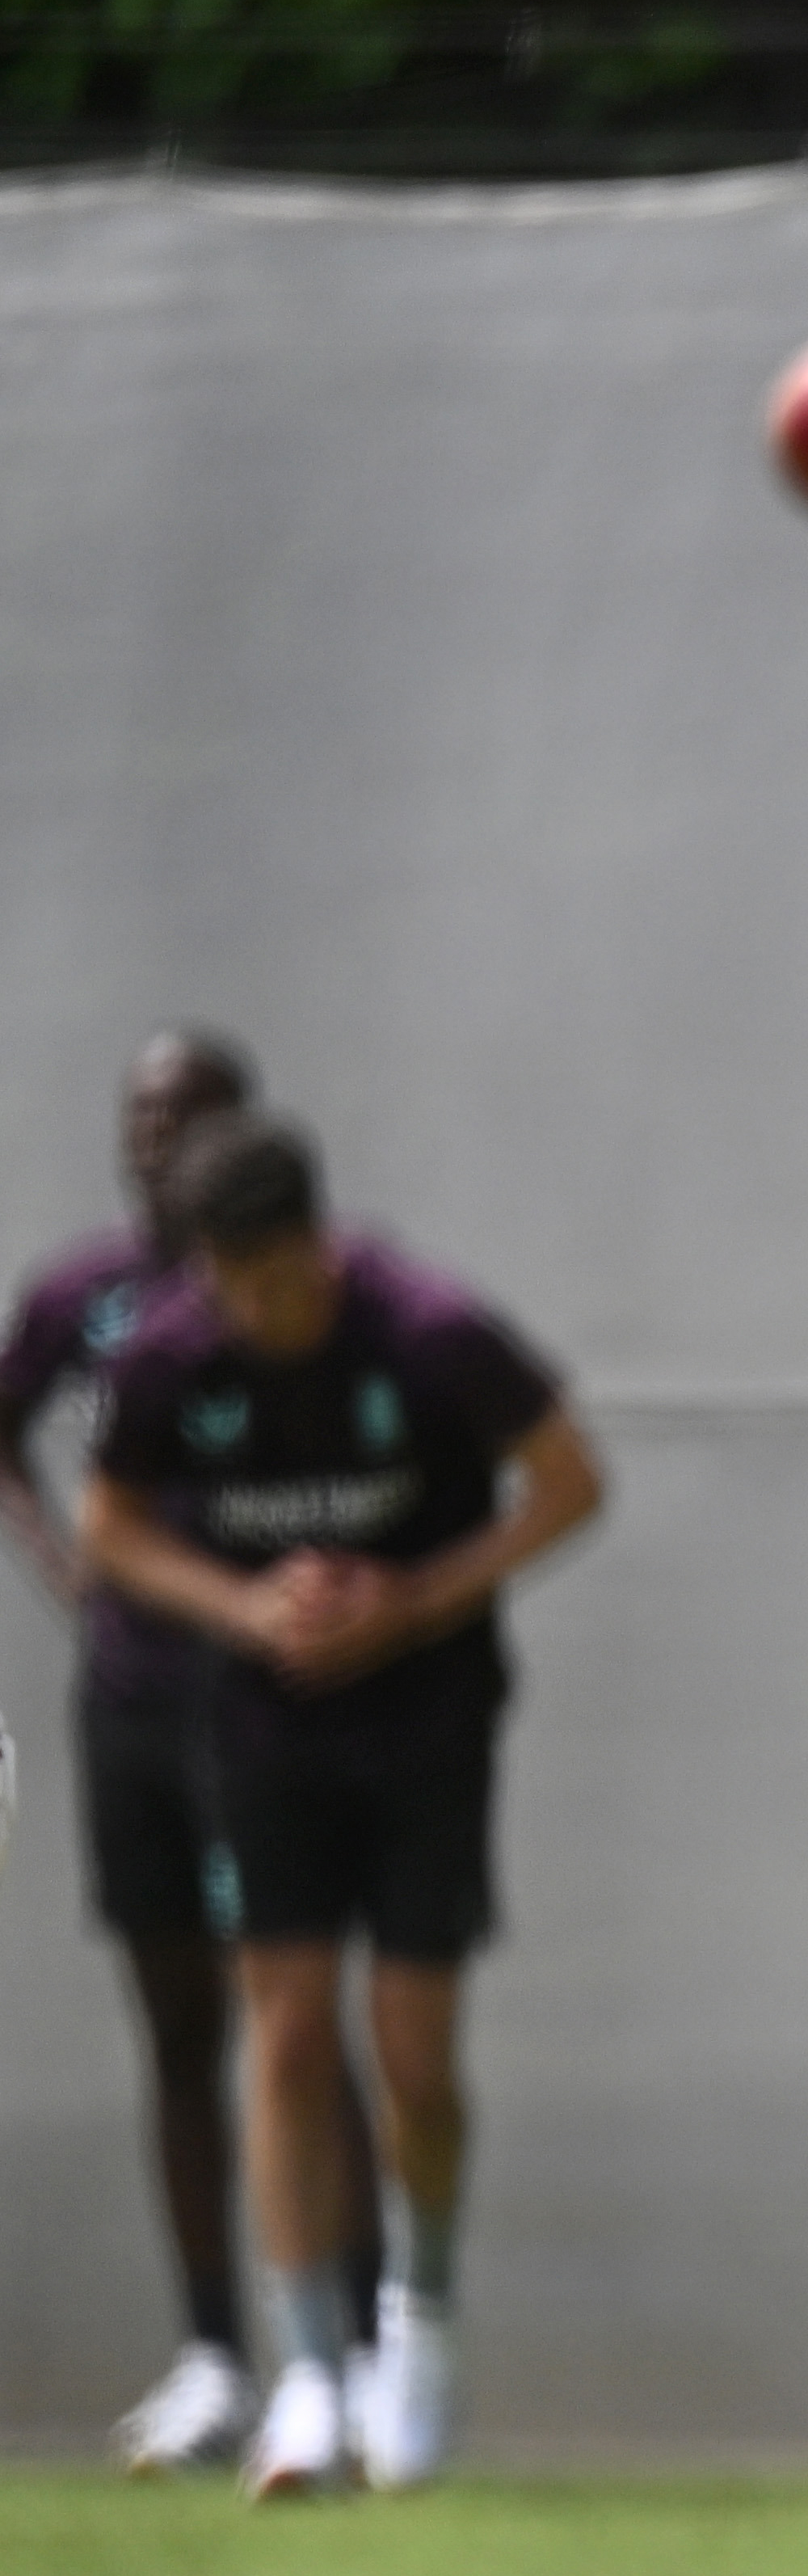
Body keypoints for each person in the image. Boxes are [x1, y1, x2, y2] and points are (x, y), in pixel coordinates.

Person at [78, 1113, 604, 2500]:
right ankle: (307, 2371)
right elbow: (114, 1528)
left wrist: (413, 1601)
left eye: (276, 1280)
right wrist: (246, 1609)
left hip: (428, 1721)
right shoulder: (171, 1358)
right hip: (261, 1728)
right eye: (229, 1285)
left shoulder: (428, 1333)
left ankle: (417, 2325)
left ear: (319, 1243)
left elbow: (570, 1482)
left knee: (415, 2057)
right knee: (290, 2033)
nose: (256, 1310)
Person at [2, 1034, 386, 2470]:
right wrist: (65, 1565)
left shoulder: (295, 1303)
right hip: (131, 1706)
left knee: (296, 2017)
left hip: (268, 1711)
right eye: (144, 1122)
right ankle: (217, 2351)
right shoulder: (82, 1298)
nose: (161, 1146)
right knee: (178, 2026)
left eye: (191, 1120)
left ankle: (347, 2350)